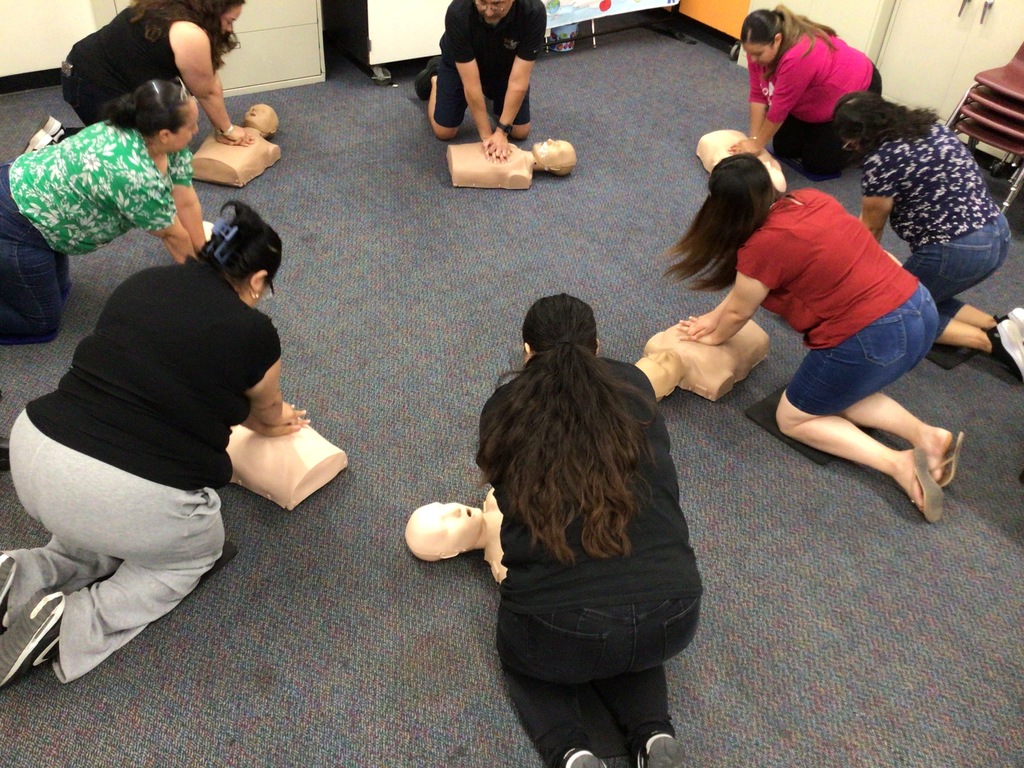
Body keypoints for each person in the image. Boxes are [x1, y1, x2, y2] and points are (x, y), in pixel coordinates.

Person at [0, 201, 306, 687]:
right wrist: (281, 419)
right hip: (127, 494)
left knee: (104, 524)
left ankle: (18, 576)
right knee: (189, 556)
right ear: (257, 279)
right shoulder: (254, 332)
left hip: (33, 448)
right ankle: (71, 624)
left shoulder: (142, 282)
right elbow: (265, 418)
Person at [668, 154, 962, 523]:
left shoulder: (761, 247)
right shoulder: (812, 199)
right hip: (920, 309)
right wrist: (713, 319)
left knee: (795, 418)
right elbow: (741, 299)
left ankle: (898, 463)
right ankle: (928, 437)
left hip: (876, 338)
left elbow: (739, 312)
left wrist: (712, 339)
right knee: (838, 391)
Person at [477, 294, 703, 768]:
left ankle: (571, 752)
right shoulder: (636, 384)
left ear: (526, 352)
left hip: (558, 627)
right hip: (676, 611)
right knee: (633, 641)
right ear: (597, 347)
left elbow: (505, 489)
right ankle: (653, 734)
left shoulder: (504, 406)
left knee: (535, 663)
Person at [832, 91, 1023, 381]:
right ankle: (1000, 325)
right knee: (920, 289)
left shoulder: (882, 158)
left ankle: (991, 343)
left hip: (958, 250)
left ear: (862, 133)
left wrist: (856, 279)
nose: (848, 146)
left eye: (849, 140)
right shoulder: (931, 127)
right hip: (997, 233)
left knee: (892, 311)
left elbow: (871, 228)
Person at [1, 79, 205, 343]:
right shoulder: (134, 174)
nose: (197, 130)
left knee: (62, 291)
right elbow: (174, 236)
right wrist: (205, 285)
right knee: (41, 322)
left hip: (35, 205)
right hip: (16, 220)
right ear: (165, 133)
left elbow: (186, 201)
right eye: (192, 127)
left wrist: (204, 255)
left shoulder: (152, 131)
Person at [29, 0, 255, 150]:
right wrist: (228, 130)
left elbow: (206, 77)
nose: (228, 30)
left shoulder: (170, 5)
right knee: (138, 159)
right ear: (212, 11)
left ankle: (59, 133)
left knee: (163, 139)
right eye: (229, 21)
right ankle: (57, 146)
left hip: (90, 70)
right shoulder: (189, 33)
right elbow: (207, 91)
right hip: (88, 83)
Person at [732, 5, 880, 175]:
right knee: (784, 148)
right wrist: (754, 139)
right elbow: (758, 95)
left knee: (818, 163)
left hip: (857, 91)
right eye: (748, 53)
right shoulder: (756, 50)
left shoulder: (798, 55)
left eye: (758, 54)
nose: (752, 59)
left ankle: (867, 135)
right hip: (817, 97)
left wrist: (757, 145)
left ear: (777, 40)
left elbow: (780, 107)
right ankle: (819, 128)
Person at [414, 0, 546, 163]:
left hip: (506, 65)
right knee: (444, 132)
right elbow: (471, 84)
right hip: (461, 64)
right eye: (482, 3)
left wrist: (502, 132)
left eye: (497, 4)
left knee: (520, 132)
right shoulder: (458, 12)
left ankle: (493, 93)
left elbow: (519, 81)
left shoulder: (533, 12)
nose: (489, 12)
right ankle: (436, 77)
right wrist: (487, 137)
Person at [448, 138, 576, 189]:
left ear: (555, 166)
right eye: (556, 140)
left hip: (460, 169)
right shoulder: (513, 147)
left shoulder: (521, 175)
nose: (549, 141)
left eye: (557, 148)